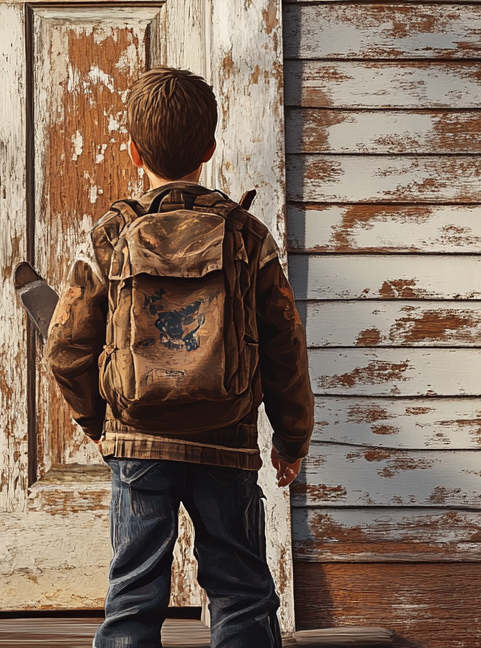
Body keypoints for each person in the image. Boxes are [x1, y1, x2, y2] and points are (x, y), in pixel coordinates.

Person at [44, 67, 313, 648]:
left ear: (134, 151)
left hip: (138, 441)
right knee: (241, 592)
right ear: (211, 149)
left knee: (134, 592)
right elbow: (286, 347)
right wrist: (291, 440)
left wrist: (99, 425)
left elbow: (65, 348)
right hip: (226, 439)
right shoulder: (247, 235)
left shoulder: (111, 235)